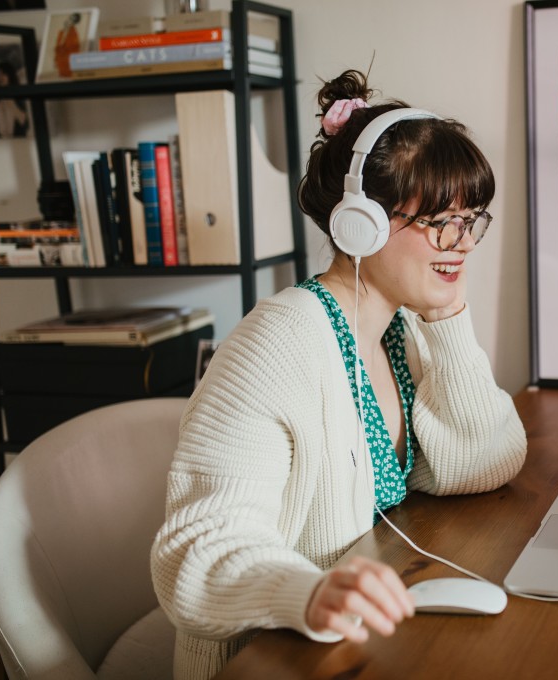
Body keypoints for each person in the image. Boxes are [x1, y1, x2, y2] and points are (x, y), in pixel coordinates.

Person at [150, 69, 528, 680]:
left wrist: (448, 315)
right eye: (439, 221)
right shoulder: (276, 346)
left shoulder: (398, 332)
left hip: (359, 642)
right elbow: (192, 553)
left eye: (472, 219)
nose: (462, 243)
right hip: (271, 659)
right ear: (362, 223)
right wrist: (304, 592)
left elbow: (489, 462)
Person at [0, 61, 29, 137]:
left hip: (18, 141)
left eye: (3, 74)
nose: (0, 77)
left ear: (10, 75)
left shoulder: (18, 94)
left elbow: (24, 123)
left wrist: (10, 102)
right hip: (1, 142)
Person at [53, 13, 81, 78]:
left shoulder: (73, 33)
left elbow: (74, 48)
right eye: (69, 18)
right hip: (60, 59)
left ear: (74, 22)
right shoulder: (62, 32)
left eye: (72, 19)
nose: (69, 20)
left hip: (68, 60)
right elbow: (58, 45)